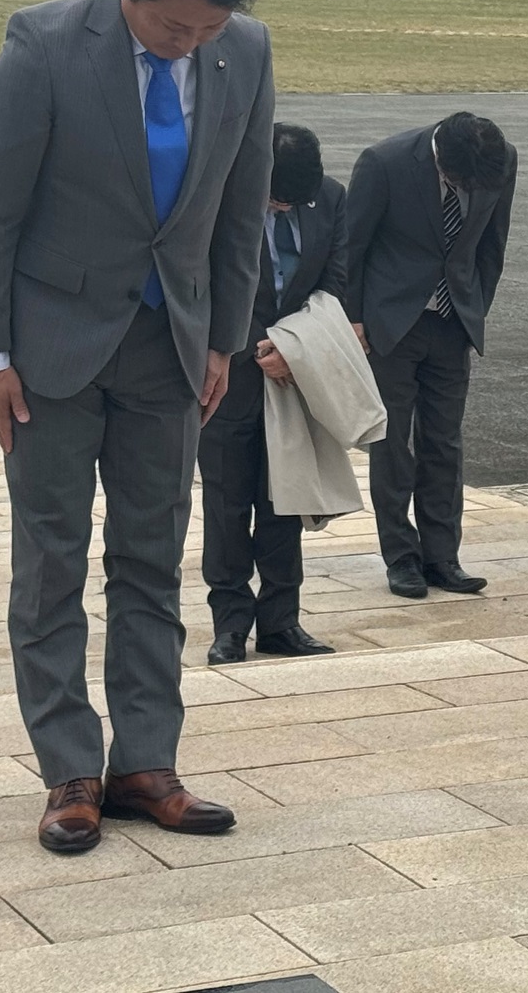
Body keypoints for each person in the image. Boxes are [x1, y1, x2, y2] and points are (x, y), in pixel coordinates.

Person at [0, 0, 275, 853]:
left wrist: (221, 333)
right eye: (171, 25)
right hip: (49, 349)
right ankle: (68, 769)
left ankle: (145, 762)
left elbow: (240, 202)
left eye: (207, 27)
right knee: (50, 564)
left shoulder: (243, 50)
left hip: (171, 346)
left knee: (150, 556)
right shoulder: (43, 46)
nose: (189, 42)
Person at [345, 111, 515, 600]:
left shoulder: (499, 160)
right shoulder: (384, 162)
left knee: (444, 443)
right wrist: (354, 319)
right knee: (393, 444)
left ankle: (443, 557)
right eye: (455, 181)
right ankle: (401, 558)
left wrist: (474, 308)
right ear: (442, 156)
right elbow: (352, 246)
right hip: (389, 326)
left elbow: (492, 244)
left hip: (452, 322)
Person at [200, 122, 346, 665]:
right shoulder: (216, 196)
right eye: (276, 201)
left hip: (292, 377)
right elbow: (193, 281)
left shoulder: (329, 197)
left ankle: (282, 622)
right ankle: (230, 623)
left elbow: (337, 281)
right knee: (227, 501)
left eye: (294, 203)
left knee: (286, 499)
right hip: (226, 377)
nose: (285, 211)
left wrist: (295, 347)